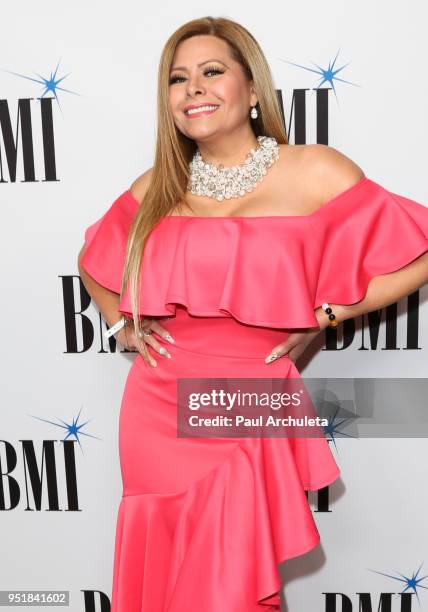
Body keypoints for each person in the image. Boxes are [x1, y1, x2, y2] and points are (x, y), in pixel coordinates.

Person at [77, 15, 428, 612]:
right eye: (179, 78)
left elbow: (417, 247)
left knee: (234, 584)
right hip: (158, 403)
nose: (195, 89)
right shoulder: (158, 187)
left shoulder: (314, 170)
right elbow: (93, 260)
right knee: (169, 568)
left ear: (253, 89)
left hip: (248, 393)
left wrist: (330, 313)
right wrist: (123, 322)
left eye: (213, 71)